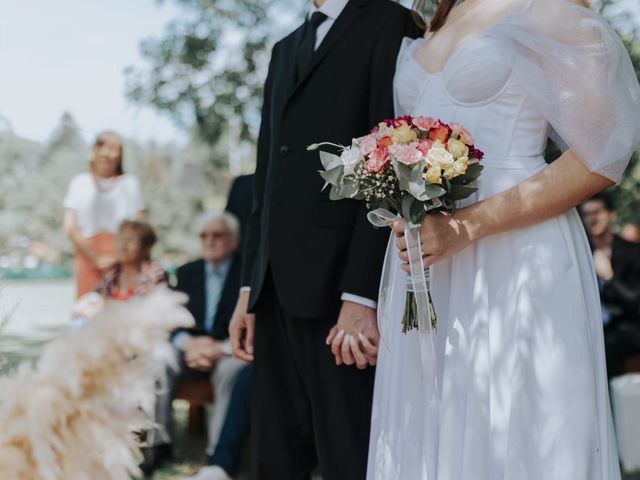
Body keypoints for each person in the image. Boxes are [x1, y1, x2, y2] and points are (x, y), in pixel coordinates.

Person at [362, 0, 640, 478]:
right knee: (432, 418)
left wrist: (468, 225)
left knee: (519, 420)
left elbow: (602, 151)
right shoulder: (434, 16)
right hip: (429, 257)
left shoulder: (549, 7)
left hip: (517, 251)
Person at [228, 1, 422, 478]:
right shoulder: (284, 48)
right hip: (273, 290)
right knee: (275, 457)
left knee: (347, 455)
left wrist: (360, 294)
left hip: (340, 290)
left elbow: (392, 160)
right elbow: (267, 179)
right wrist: (249, 290)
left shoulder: (388, 21)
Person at [143, 212, 246, 475]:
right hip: (189, 349)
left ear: (233, 241)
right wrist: (187, 343)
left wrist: (219, 348)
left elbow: (253, 322)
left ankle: (217, 455)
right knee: (159, 359)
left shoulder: (247, 273)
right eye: (204, 236)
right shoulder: (188, 272)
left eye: (217, 235)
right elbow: (174, 320)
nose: (209, 241)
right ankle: (159, 443)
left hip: (228, 350)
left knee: (232, 371)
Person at [63, 131, 145, 298]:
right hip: (88, 256)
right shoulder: (80, 182)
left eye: (113, 149)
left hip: (125, 255)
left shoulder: (130, 183)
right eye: (102, 147)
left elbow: (141, 226)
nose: (106, 154)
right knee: (88, 307)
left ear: (120, 155)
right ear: (93, 151)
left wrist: (118, 257)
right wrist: (95, 259)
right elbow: (70, 227)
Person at [581, 192, 640, 379]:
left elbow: (635, 302)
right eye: (586, 214)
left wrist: (609, 278)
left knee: (604, 347)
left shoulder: (632, 252)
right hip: (588, 327)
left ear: (611, 215)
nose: (592, 219)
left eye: (597, 212)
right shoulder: (581, 253)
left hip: (625, 328)